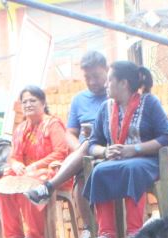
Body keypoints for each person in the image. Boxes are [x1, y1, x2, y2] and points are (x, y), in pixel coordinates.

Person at [84, 61, 168, 238]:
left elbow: (167, 138)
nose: (105, 85)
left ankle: (135, 232)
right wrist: (105, 151)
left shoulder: (149, 103)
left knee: (133, 168)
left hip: (147, 161)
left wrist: (134, 149)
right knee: (99, 171)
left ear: (124, 83)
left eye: (109, 80)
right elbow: (92, 144)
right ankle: (106, 233)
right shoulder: (106, 107)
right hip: (115, 161)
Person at [28, 51, 109, 226]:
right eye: (87, 77)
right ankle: (89, 228)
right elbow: (70, 133)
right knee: (82, 175)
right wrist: (79, 149)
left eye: (96, 76)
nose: (92, 82)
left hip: (107, 149)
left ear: (107, 70)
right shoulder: (79, 100)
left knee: (91, 143)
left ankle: (49, 186)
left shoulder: (114, 95)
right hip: (85, 154)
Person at [0, 86, 70, 238]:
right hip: (26, 172)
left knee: (28, 183)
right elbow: (14, 156)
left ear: (42, 103)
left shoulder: (53, 124)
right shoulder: (21, 128)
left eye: (32, 100)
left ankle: (35, 236)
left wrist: (35, 166)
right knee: (3, 185)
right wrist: (15, 164)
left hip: (52, 172)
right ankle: (14, 236)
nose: (28, 104)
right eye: (24, 102)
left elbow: (60, 152)